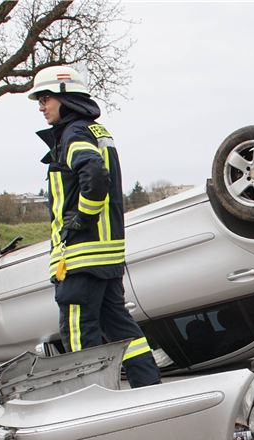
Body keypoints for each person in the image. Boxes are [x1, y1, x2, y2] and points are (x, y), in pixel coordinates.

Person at [28, 65, 160, 387]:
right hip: (107, 256)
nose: (41, 107)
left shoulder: (73, 133)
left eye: (45, 98)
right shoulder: (98, 132)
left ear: (65, 97)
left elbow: (95, 175)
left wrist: (83, 217)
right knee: (121, 328)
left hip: (81, 258)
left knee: (77, 334)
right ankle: (149, 390)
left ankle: (91, 403)